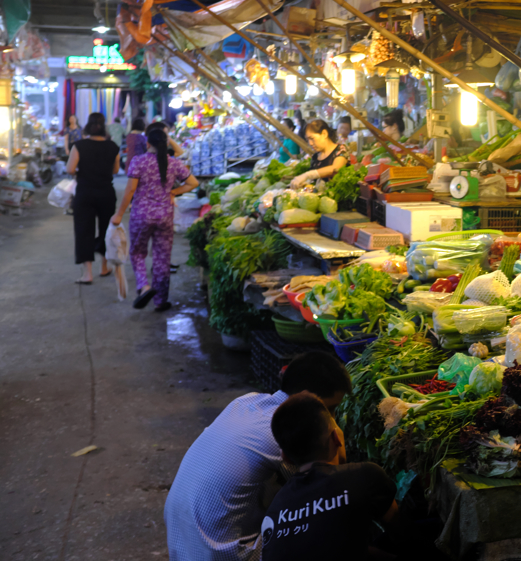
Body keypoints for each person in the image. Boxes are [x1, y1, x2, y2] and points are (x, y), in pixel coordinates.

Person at [164, 353, 352, 561]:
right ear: (307, 397)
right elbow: (325, 484)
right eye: (331, 409)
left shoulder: (245, 401)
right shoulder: (286, 431)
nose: (332, 419)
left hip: (182, 541)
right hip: (224, 554)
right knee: (323, 511)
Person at [262, 392, 397, 561]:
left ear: (286, 458)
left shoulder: (275, 509)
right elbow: (409, 540)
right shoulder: (365, 476)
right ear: (336, 437)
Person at [111, 128, 198, 311]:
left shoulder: (138, 161)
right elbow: (193, 183)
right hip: (165, 216)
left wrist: (119, 214)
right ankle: (160, 301)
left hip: (141, 215)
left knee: (137, 253)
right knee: (162, 258)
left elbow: (130, 191)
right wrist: (173, 191)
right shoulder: (173, 163)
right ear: (165, 144)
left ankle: (144, 286)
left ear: (148, 144)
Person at [66, 113, 120, 284]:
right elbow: (116, 170)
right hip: (106, 192)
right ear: (104, 127)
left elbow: (70, 169)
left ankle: (87, 274)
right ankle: (104, 268)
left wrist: (83, 171)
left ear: (88, 126)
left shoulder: (79, 145)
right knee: (106, 231)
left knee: (84, 231)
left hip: (85, 193)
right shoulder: (113, 146)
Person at [290, 119, 348, 189]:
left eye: (312, 138)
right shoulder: (316, 156)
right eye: (308, 140)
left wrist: (308, 175)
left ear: (324, 134)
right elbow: (315, 182)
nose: (310, 143)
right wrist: (305, 184)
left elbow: (336, 168)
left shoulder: (341, 149)